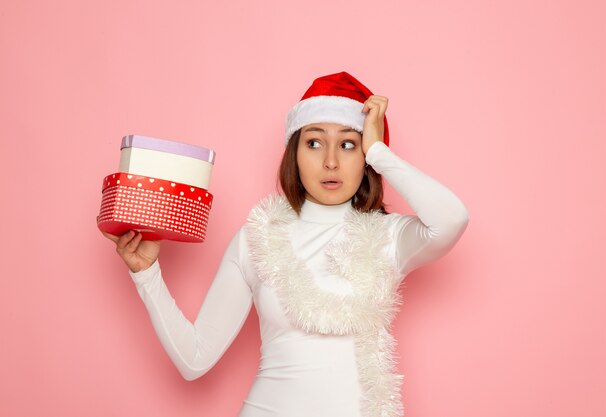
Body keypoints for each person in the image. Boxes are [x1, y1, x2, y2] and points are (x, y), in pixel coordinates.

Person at [100, 71, 470, 417]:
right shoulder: (255, 236)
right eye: (313, 143)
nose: (330, 161)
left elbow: (451, 219)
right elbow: (194, 360)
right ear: (294, 152)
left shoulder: (390, 237)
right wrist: (146, 274)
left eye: (348, 144)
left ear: (366, 156)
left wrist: (380, 153)